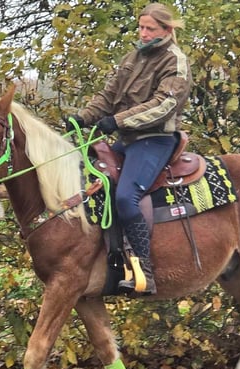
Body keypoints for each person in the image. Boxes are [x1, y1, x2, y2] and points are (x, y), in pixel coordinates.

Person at [66, 2, 192, 296]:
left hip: (155, 139)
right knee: (93, 187)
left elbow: (164, 104)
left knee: (125, 196)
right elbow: (108, 95)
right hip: (127, 140)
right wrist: (83, 117)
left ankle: (143, 269)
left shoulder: (175, 61)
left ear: (167, 30)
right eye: (141, 27)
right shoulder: (133, 56)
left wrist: (117, 121)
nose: (144, 33)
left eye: (151, 28)